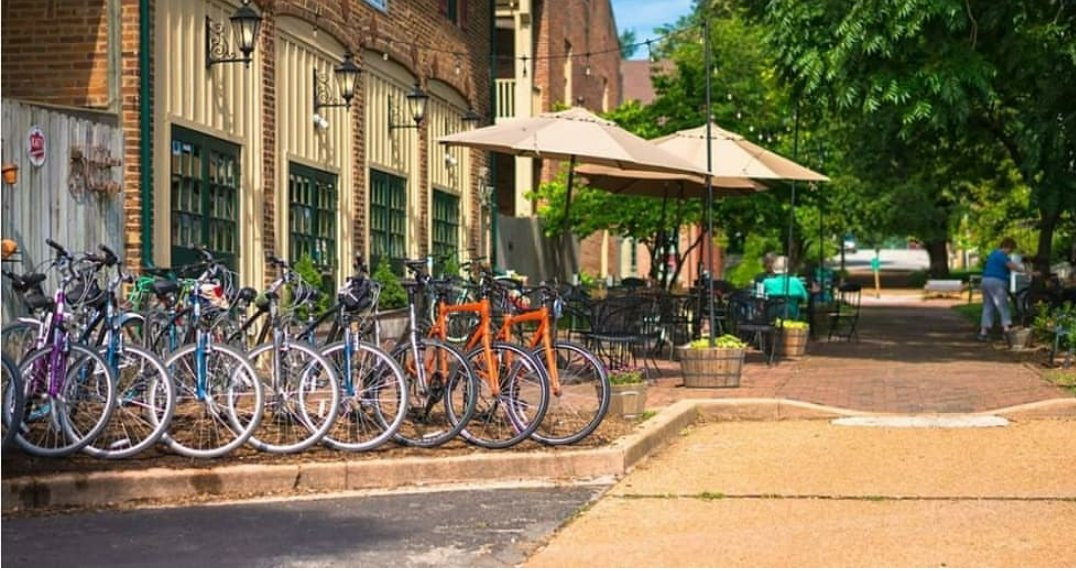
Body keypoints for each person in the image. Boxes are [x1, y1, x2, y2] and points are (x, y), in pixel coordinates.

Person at [979, 237, 1023, 341]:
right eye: (1011, 249)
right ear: (1008, 247)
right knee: (1002, 305)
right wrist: (1025, 270)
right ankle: (1006, 330)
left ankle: (983, 332)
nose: (1011, 252)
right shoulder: (1003, 256)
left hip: (985, 280)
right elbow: (1012, 267)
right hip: (997, 282)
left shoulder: (993, 253)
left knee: (988, 306)